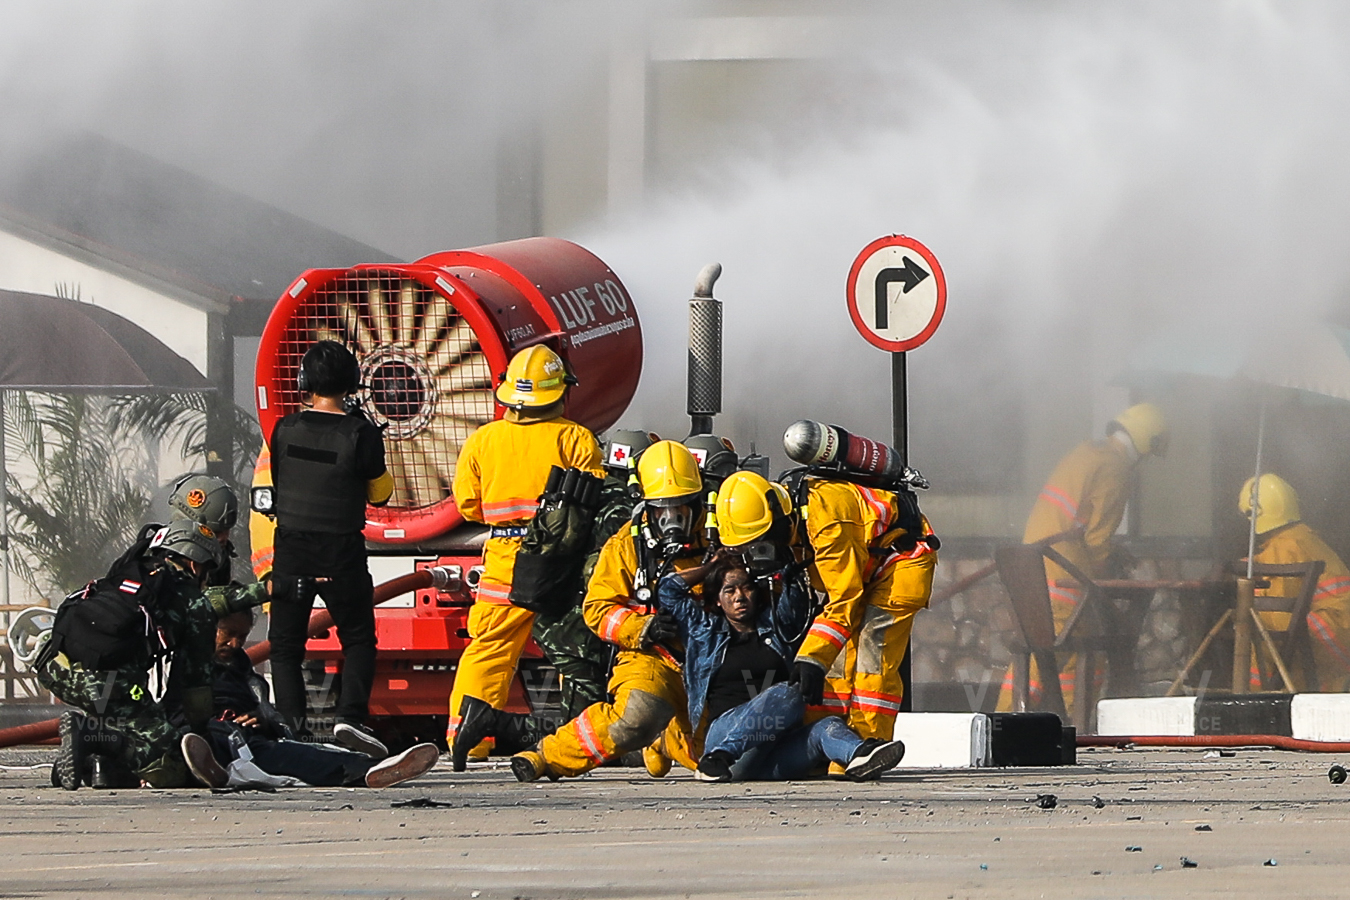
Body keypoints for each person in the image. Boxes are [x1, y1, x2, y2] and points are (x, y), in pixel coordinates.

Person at [506, 441, 708, 782]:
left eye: (681, 509)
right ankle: (547, 756)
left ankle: (665, 740)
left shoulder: (719, 541)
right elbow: (598, 609)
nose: (672, 520)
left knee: (716, 759)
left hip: (711, 661)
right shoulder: (626, 546)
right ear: (647, 507)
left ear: (698, 503)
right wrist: (643, 628)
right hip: (651, 657)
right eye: (662, 511)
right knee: (635, 718)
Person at [715, 470, 938, 770]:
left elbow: (845, 598)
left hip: (900, 564)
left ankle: (868, 747)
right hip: (866, 569)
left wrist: (811, 657)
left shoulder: (827, 522)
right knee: (834, 667)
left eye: (762, 542)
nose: (759, 554)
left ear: (778, 520)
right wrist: (816, 657)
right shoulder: (793, 518)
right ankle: (835, 750)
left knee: (872, 654)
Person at [448, 345, 604, 764]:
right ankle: (583, 739)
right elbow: (595, 503)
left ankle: (467, 738)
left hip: (504, 558)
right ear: (559, 394)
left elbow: (468, 505)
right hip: (562, 560)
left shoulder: (483, 441)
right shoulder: (574, 438)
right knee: (576, 653)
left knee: (490, 647)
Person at [37, 519, 267, 789]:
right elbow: (195, 686)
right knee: (174, 767)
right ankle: (92, 738)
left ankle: (86, 759)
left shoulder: (129, 572)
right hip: (106, 685)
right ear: (195, 565)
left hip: (53, 667)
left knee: (130, 722)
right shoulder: (193, 602)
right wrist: (202, 736)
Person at [657, 553, 907, 782]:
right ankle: (717, 758)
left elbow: (795, 587)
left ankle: (859, 755)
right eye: (729, 590)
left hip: (769, 752)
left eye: (746, 587)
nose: (739, 597)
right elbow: (668, 590)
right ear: (718, 601)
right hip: (724, 739)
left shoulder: (777, 626)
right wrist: (712, 566)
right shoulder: (704, 631)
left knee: (825, 726)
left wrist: (775, 559)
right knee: (790, 692)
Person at [996, 402, 1169, 713]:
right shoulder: (1116, 469)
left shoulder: (1089, 452)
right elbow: (1097, 540)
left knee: (1037, 646)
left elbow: (1075, 518)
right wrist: (1105, 577)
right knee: (1061, 651)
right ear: (1146, 441)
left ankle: (1040, 720)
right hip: (1062, 571)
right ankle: (1053, 724)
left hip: (1033, 562)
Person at [268, 340, 393, 757]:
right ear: (352, 383)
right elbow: (380, 495)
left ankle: (290, 730)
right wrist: (370, 439)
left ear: (304, 382)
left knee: (285, 647)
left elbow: (285, 482)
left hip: (292, 554)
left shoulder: (283, 429)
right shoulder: (360, 434)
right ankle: (349, 719)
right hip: (341, 553)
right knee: (357, 639)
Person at [177, 610, 440, 789]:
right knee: (203, 741)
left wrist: (263, 720)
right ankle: (215, 770)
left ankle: (371, 769)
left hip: (250, 741)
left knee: (302, 754)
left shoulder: (242, 667)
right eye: (228, 633)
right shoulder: (180, 660)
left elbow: (269, 714)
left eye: (242, 637)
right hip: (204, 733)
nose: (235, 644)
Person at [1240, 474, 1350, 692]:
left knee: (1261, 629)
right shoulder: (1301, 539)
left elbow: (1276, 623)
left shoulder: (1284, 548)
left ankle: (1261, 700)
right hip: (1339, 632)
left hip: (1324, 637)